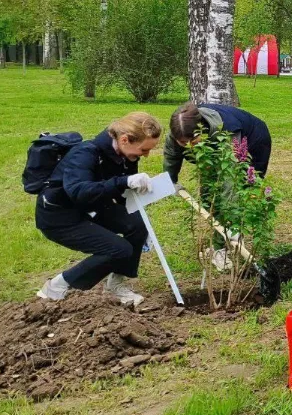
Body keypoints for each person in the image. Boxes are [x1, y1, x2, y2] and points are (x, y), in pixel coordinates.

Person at [35, 113, 162, 306]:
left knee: (138, 225)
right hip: (60, 216)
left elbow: (121, 191)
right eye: (144, 149)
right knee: (119, 249)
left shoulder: (127, 155)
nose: (146, 155)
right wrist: (123, 182)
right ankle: (57, 285)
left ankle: (116, 285)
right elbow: (79, 191)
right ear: (124, 139)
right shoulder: (85, 154)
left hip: (92, 206)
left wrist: (139, 195)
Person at [164, 103, 272, 182]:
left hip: (255, 137)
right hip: (218, 138)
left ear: (201, 131)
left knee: (246, 181)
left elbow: (230, 171)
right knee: (210, 182)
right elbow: (171, 156)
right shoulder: (180, 128)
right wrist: (171, 183)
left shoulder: (227, 130)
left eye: (192, 141)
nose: (188, 146)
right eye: (183, 142)